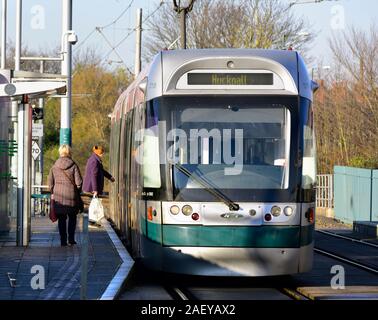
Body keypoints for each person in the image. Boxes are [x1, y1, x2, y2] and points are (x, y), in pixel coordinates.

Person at [48, 145, 83, 246]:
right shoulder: (73, 165)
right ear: (69, 152)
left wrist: (53, 191)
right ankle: (71, 239)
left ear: (60, 152)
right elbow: (79, 182)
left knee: (62, 219)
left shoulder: (54, 166)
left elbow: (50, 184)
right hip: (71, 196)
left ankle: (63, 241)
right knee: (72, 218)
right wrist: (77, 191)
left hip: (59, 197)